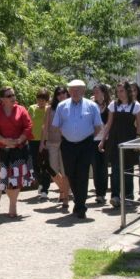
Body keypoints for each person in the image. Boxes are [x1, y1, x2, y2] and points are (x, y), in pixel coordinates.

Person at [52, 79, 103, 219]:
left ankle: (80, 206)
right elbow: (57, 126)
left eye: (78, 89)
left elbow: (98, 126)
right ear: (69, 91)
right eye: (72, 89)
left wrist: (94, 141)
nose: (75, 92)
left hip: (86, 144)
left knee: (83, 174)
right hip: (67, 145)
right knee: (70, 173)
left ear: (83, 90)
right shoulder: (62, 106)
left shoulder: (91, 106)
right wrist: (65, 137)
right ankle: (78, 200)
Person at [0, 86, 33, 218]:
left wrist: (19, 139)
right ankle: (12, 202)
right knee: (7, 179)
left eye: (13, 95)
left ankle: (13, 204)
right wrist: (4, 141)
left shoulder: (21, 109)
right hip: (3, 150)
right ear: (2, 99)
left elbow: (28, 126)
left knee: (16, 179)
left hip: (19, 150)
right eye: (9, 96)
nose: (13, 97)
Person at [99, 81, 140, 209]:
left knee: (128, 169)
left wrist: (139, 140)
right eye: (117, 91)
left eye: (122, 91)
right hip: (115, 140)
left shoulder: (136, 106)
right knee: (115, 169)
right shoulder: (113, 105)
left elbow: (139, 126)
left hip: (129, 140)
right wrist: (103, 140)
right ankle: (115, 196)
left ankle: (129, 196)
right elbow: (108, 124)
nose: (119, 93)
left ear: (128, 91)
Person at [40, 86, 71, 210]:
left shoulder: (71, 106)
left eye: (64, 93)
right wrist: (42, 142)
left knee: (64, 170)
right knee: (52, 169)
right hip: (52, 142)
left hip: (65, 142)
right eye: (59, 93)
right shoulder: (50, 109)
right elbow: (45, 126)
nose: (61, 95)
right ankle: (65, 190)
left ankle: (64, 196)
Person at [29, 88, 51, 200]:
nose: (41, 102)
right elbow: (28, 123)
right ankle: (41, 183)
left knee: (45, 165)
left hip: (45, 140)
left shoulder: (49, 110)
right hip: (33, 141)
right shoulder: (32, 108)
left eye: (43, 100)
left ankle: (45, 189)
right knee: (35, 165)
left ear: (47, 100)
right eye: (39, 99)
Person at [91, 84, 111, 204]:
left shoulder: (110, 106)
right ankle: (98, 192)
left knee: (103, 166)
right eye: (94, 92)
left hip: (106, 139)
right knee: (95, 166)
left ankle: (102, 192)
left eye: (97, 92)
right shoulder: (91, 105)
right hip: (93, 139)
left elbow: (109, 123)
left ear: (104, 92)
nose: (95, 94)